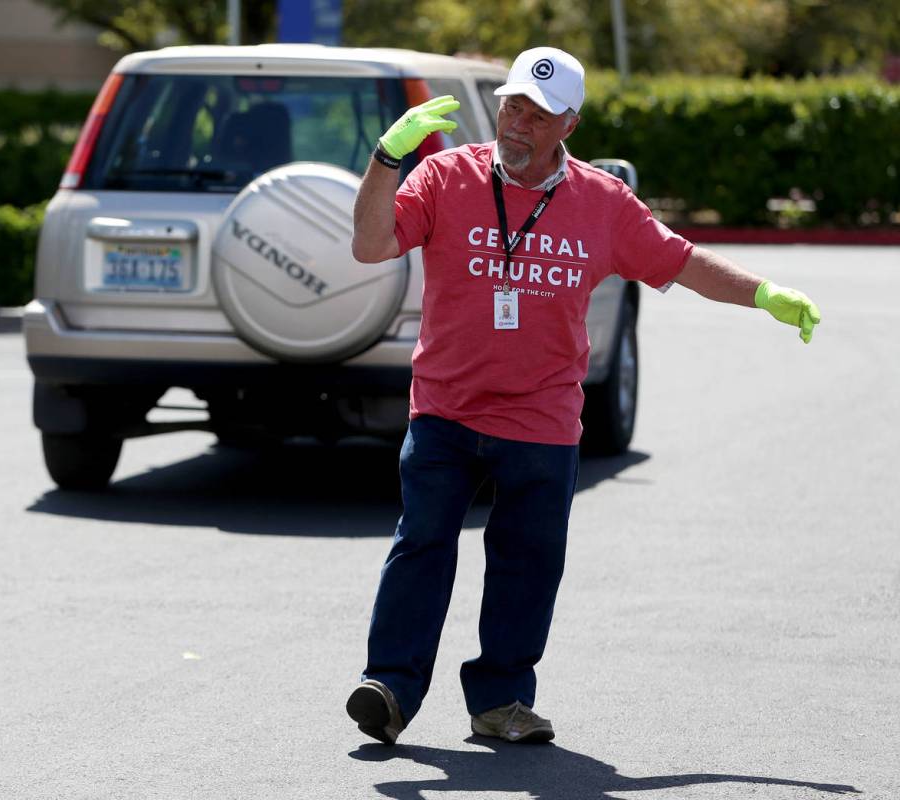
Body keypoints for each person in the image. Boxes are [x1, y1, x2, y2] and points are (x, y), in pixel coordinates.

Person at [345, 47, 821, 746]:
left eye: (538, 115)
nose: (518, 123)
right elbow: (369, 245)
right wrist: (388, 159)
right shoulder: (446, 176)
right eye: (512, 106)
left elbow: (681, 261)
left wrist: (765, 294)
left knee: (527, 563)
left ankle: (501, 701)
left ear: (569, 123)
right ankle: (389, 688)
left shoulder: (602, 203)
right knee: (422, 544)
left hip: (541, 419)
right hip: (446, 407)